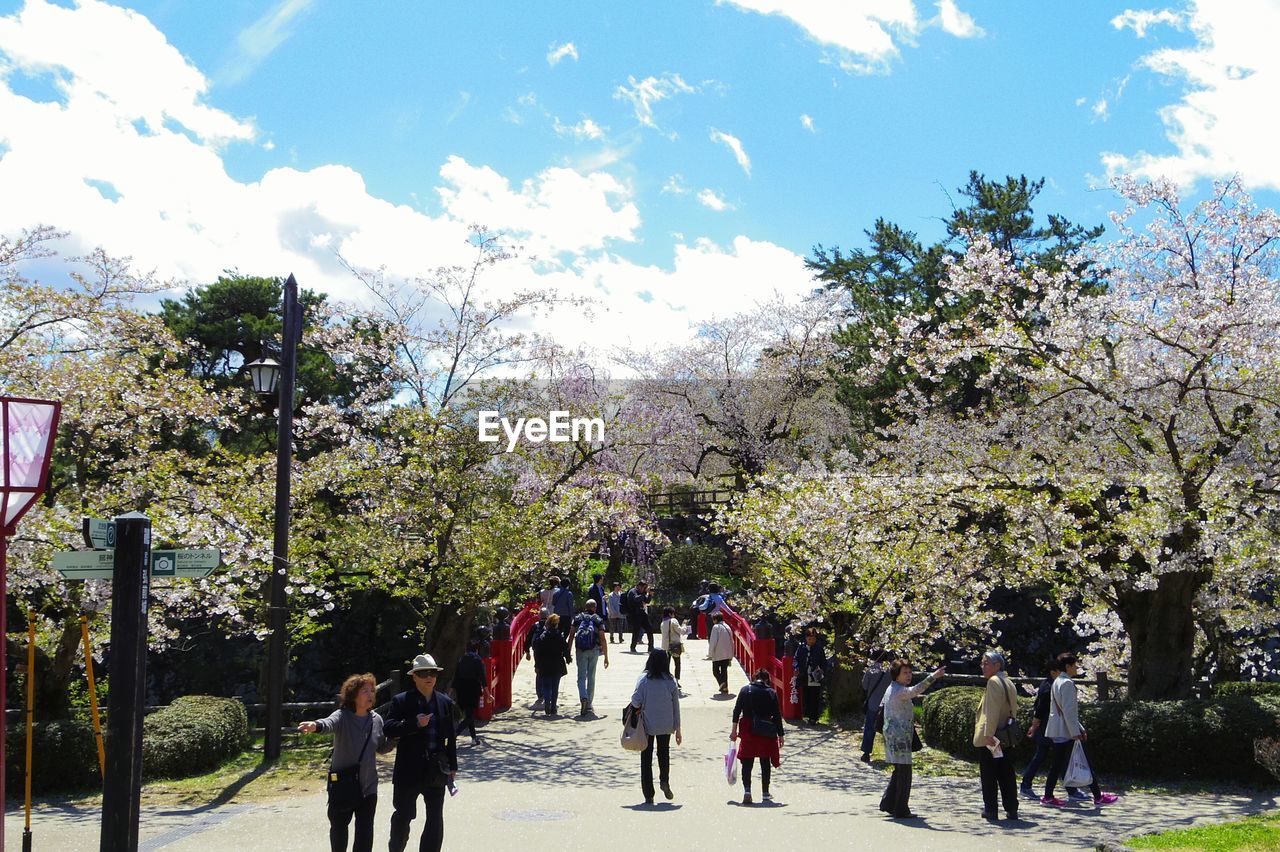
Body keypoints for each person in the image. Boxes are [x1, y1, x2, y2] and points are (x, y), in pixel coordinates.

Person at [298, 673, 391, 852]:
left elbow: (381, 748)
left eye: (372, 690)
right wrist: (315, 726)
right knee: (339, 832)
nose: (371, 694)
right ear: (353, 694)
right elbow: (329, 723)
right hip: (343, 785)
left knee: (365, 836)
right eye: (365, 691)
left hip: (368, 788)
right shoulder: (342, 716)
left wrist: (397, 737)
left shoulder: (377, 720)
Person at [383, 654, 458, 852]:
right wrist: (414, 724)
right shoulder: (401, 701)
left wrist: (453, 766)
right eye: (423, 673)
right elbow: (388, 728)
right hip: (408, 769)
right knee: (403, 815)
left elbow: (450, 736)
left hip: (436, 769)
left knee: (435, 818)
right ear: (414, 676)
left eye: (432, 673)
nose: (429, 677)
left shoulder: (444, 702)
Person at [1041, 652, 1120, 808]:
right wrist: (1076, 732)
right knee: (1084, 761)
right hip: (1066, 730)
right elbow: (1069, 712)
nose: (1077, 668)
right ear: (1068, 667)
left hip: (1057, 730)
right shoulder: (1068, 684)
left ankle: (1048, 796)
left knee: (1057, 764)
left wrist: (1078, 728)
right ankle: (1097, 797)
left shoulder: (1057, 681)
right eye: (1074, 665)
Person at [879, 659, 945, 819]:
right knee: (904, 773)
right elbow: (915, 690)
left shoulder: (893, 688)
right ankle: (900, 809)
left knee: (899, 771)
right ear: (896, 675)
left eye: (910, 672)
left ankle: (888, 803)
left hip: (895, 734)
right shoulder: (898, 690)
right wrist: (933, 676)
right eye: (905, 673)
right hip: (898, 736)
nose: (908, 676)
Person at [1021, 658, 1082, 800]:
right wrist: (1035, 725)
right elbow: (1040, 709)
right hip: (1048, 726)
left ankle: (1067, 789)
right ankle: (1028, 785)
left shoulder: (1052, 684)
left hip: (1050, 725)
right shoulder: (1049, 686)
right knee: (1052, 757)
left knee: (1056, 758)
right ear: (1053, 672)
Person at [629, 649, 682, 804]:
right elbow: (676, 707)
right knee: (663, 753)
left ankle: (648, 793)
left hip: (647, 725)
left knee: (646, 758)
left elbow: (635, 701)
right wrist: (678, 728)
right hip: (666, 724)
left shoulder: (644, 680)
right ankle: (664, 780)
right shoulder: (671, 681)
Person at [973, 651, 1019, 821]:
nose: (982, 666)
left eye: (986, 663)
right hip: (1005, 735)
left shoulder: (993, 682)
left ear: (997, 665)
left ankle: (991, 809)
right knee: (1007, 773)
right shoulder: (1008, 681)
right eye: (982, 663)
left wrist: (989, 734)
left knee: (989, 775)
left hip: (992, 736)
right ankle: (1012, 808)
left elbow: (991, 712)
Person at [730, 668, 784, 805]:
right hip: (766, 729)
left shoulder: (745, 690)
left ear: (754, 678)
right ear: (767, 680)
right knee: (765, 760)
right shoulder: (771, 693)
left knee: (747, 761)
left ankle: (747, 791)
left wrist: (734, 731)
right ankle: (765, 792)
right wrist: (781, 734)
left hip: (748, 729)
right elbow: (777, 715)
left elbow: (736, 711)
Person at [571, 599, 610, 716]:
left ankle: (583, 697)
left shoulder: (578, 618)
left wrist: (568, 651)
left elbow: (571, 634)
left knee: (581, 677)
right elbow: (602, 638)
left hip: (580, 651)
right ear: (595, 607)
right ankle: (589, 704)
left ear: (585, 607)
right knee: (591, 676)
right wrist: (606, 656)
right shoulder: (598, 620)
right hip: (593, 650)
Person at [532, 613, 571, 716]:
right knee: (555, 687)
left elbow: (536, 648)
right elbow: (565, 648)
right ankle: (553, 707)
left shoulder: (542, 636)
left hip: (544, 664)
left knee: (546, 686)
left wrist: (537, 664)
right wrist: (568, 658)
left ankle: (547, 704)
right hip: (557, 663)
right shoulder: (560, 636)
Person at [793, 628, 831, 724]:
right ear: (806, 638)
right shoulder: (801, 648)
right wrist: (796, 667)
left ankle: (814, 717)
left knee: (815, 696)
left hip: (815, 674)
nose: (811, 641)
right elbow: (796, 659)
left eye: (813, 638)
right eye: (810, 638)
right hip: (804, 674)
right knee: (806, 695)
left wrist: (822, 671)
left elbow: (823, 662)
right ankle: (807, 714)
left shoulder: (819, 648)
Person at [453, 641, 486, 745]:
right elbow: (483, 678)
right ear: (477, 649)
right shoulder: (477, 659)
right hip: (472, 688)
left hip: (461, 688)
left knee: (467, 714)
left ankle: (473, 738)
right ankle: (455, 733)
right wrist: (488, 694)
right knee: (470, 715)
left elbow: (456, 676)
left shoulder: (461, 659)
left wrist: (451, 690)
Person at [860, 658, 892, 762]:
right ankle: (891, 756)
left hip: (873, 703)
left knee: (869, 728)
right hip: (888, 704)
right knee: (889, 730)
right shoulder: (892, 670)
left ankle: (866, 753)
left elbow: (864, 686)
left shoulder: (871, 669)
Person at [708, 611, 734, 695]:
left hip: (718, 653)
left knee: (715, 671)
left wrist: (710, 653)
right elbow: (732, 641)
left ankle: (721, 683)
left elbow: (713, 641)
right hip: (726, 653)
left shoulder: (716, 627)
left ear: (715, 619)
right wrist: (731, 653)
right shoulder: (727, 626)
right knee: (724, 671)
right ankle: (725, 687)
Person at [625, 580, 654, 652]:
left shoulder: (641, 592)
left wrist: (650, 595)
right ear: (639, 586)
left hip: (642, 613)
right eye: (643, 588)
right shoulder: (632, 591)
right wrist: (644, 593)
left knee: (649, 629)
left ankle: (651, 647)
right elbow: (636, 599)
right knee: (636, 631)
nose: (644, 589)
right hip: (634, 614)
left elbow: (647, 601)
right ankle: (633, 647)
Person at [659, 606, 685, 685]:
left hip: (665, 647)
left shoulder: (662, 623)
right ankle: (676, 680)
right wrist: (684, 625)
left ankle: (666, 679)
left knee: (666, 664)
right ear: (670, 614)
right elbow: (681, 631)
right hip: (674, 646)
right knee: (677, 663)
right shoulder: (673, 621)